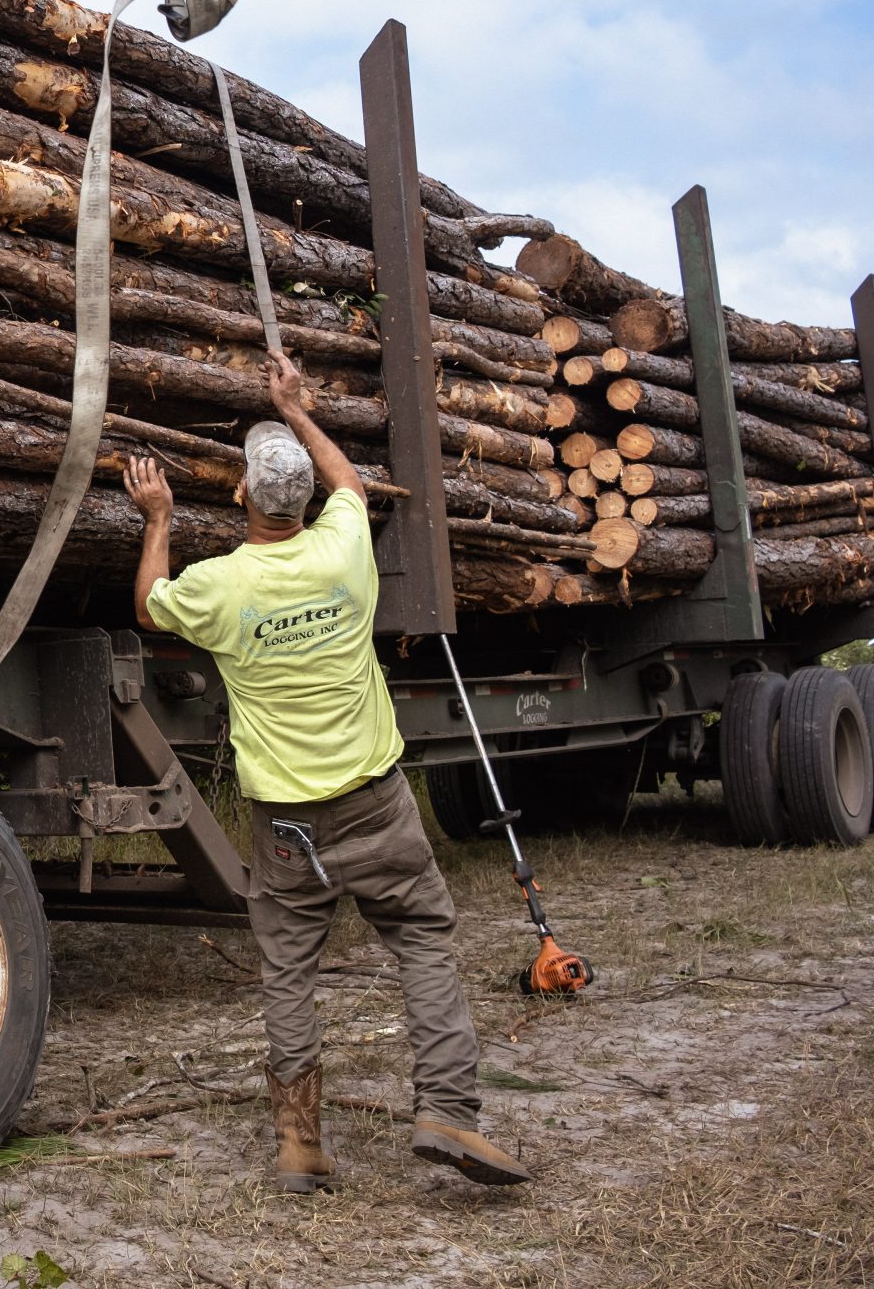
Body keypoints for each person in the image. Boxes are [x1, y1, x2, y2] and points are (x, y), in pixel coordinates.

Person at [121, 349, 530, 1194]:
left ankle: (300, 1146)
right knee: (422, 939)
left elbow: (150, 602)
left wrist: (157, 515)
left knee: (289, 971)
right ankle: (448, 1110)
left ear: (241, 496)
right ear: (304, 499)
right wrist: (297, 408)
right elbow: (352, 482)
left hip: (286, 830)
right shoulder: (347, 550)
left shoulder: (223, 587)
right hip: (378, 806)